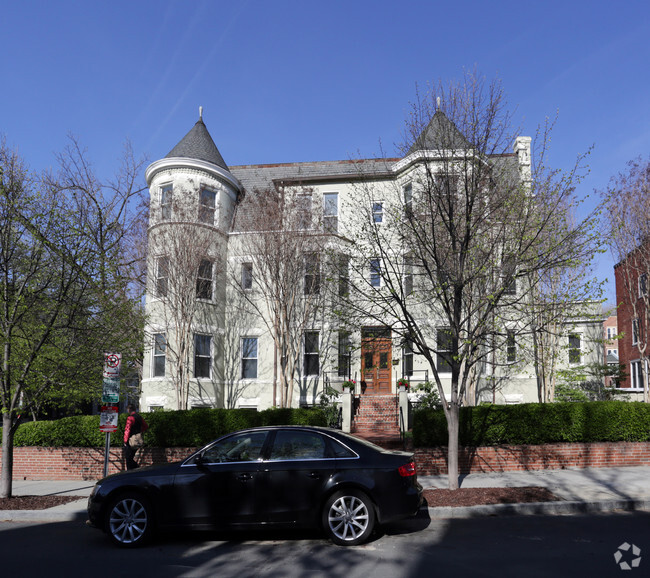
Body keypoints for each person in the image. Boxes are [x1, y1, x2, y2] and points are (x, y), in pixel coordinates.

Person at [123, 404, 149, 470]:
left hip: (131, 440)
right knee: (131, 457)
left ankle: (133, 471)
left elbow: (127, 429)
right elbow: (145, 426)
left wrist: (125, 441)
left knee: (128, 458)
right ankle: (135, 469)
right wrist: (139, 432)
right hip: (138, 439)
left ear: (129, 409)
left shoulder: (130, 418)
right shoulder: (139, 417)